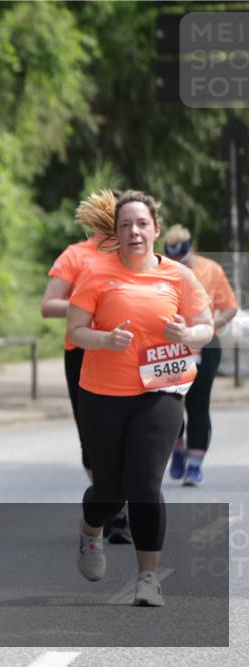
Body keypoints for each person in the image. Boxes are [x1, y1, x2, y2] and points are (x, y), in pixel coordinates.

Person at [67, 190, 213, 607]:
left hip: (161, 390)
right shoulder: (96, 274)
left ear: (156, 230)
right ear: (115, 232)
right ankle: (91, 528)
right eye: (126, 224)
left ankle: (148, 578)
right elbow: (76, 329)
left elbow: (204, 326)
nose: (134, 231)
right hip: (103, 393)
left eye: (142, 224)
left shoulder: (179, 277)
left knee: (145, 483)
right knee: (110, 491)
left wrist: (189, 335)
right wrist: (106, 339)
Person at [41, 191, 132, 545]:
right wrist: (86, 307)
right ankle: (106, 499)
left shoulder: (135, 254)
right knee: (93, 442)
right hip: (83, 353)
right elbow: (48, 305)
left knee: (130, 436)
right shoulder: (76, 255)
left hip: (129, 351)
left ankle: (120, 514)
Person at [162, 224, 239, 486]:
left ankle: (195, 465)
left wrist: (211, 327)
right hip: (170, 345)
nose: (176, 263)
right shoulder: (160, 268)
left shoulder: (210, 269)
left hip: (205, 345)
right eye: (171, 258)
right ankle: (177, 447)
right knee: (169, 402)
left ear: (189, 249)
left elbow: (230, 307)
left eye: (180, 258)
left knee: (198, 404)